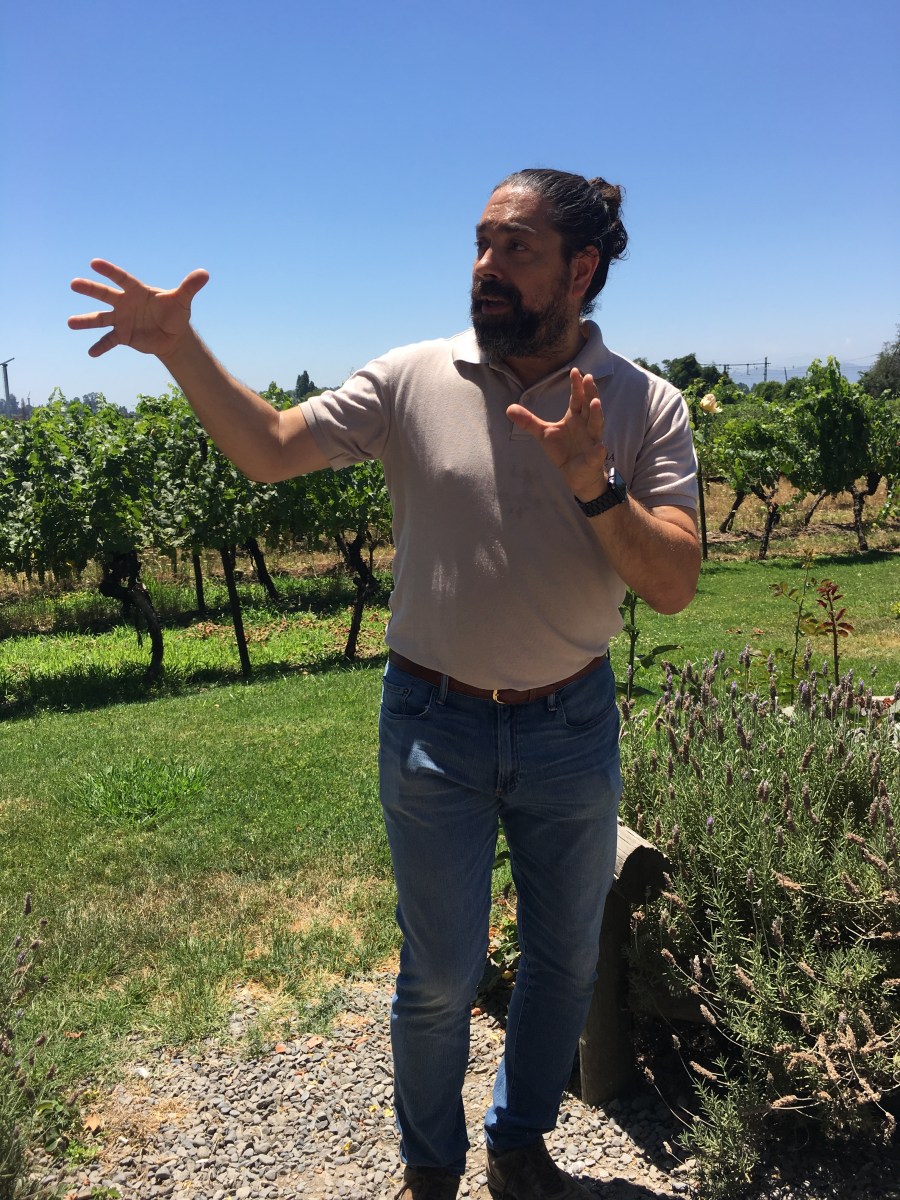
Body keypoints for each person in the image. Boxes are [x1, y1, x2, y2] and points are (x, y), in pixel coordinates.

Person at [70, 167, 700, 1200]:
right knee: (441, 973)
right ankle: (430, 1169)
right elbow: (271, 449)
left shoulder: (643, 404)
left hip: (570, 722)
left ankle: (519, 1145)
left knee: (564, 960)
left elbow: (672, 583)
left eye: (517, 248)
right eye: (482, 242)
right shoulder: (414, 376)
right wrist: (180, 347)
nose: (487, 265)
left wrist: (594, 484)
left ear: (582, 267)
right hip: (433, 723)